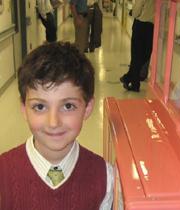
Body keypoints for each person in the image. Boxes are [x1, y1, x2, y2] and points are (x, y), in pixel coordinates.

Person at [0, 42, 114, 209]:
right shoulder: (3, 173)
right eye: (40, 107)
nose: (53, 123)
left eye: (68, 106)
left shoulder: (105, 177)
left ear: (87, 108)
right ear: (24, 109)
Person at [120, 0, 155, 92]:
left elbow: (136, 10)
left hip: (141, 25)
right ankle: (131, 80)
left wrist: (133, 13)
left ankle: (130, 78)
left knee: (136, 55)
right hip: (152, 27)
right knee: (145, 54)